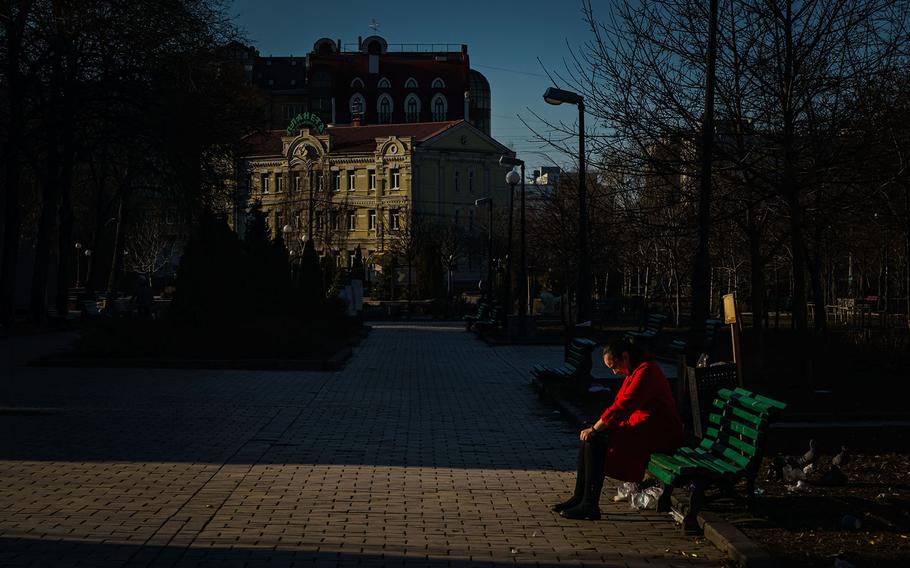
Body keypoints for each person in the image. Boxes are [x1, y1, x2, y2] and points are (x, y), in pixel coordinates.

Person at [553, 338, 683, 520]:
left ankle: (590, 504)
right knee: (589, 440)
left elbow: (623, 404)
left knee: (594, 440)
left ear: (625, 357)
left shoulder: (646, 372)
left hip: (657, 432)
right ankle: (580, 497)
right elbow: (620, 405)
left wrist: (596, 428)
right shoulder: (638, 369)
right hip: (643, 426)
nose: (614, 372)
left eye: (614, 366)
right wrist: (596, 428)